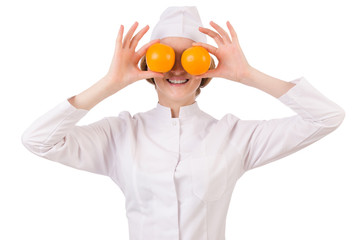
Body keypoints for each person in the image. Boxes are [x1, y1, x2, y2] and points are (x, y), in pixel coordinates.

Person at [22, 6, 345, 240]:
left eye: (190, 58)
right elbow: (38, 140)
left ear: (206, 67)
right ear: (149, 66)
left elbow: (326, 117)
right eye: (166, 58)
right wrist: (111, 82)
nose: (177, 70)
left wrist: (247, 75)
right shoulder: (119, 133)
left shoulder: (235, 135)